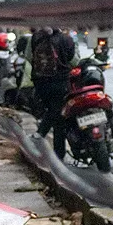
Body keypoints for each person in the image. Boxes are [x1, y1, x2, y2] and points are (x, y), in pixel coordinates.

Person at [31, 27, 78, 159]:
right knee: (58, 118)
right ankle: (52, 146)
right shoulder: (66, 39)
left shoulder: (36, 37)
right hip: (60, 82)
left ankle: (43, 137)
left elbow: (30, 57)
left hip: (40, 83)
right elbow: (71, 58)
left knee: (53, 112)